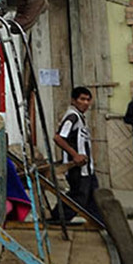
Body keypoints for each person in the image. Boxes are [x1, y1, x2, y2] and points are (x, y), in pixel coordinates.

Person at [52, 86, 102, 223]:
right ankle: (56, 219)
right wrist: (75, 155)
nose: (85, 103)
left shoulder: (80, 117)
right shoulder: (72, 117)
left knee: (93, 198)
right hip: (78, 169)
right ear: (74, 100)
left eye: (88, 99)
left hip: (87, 169)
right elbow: (58, 138)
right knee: (78, 197)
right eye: (82, 99)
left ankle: (99, 224)